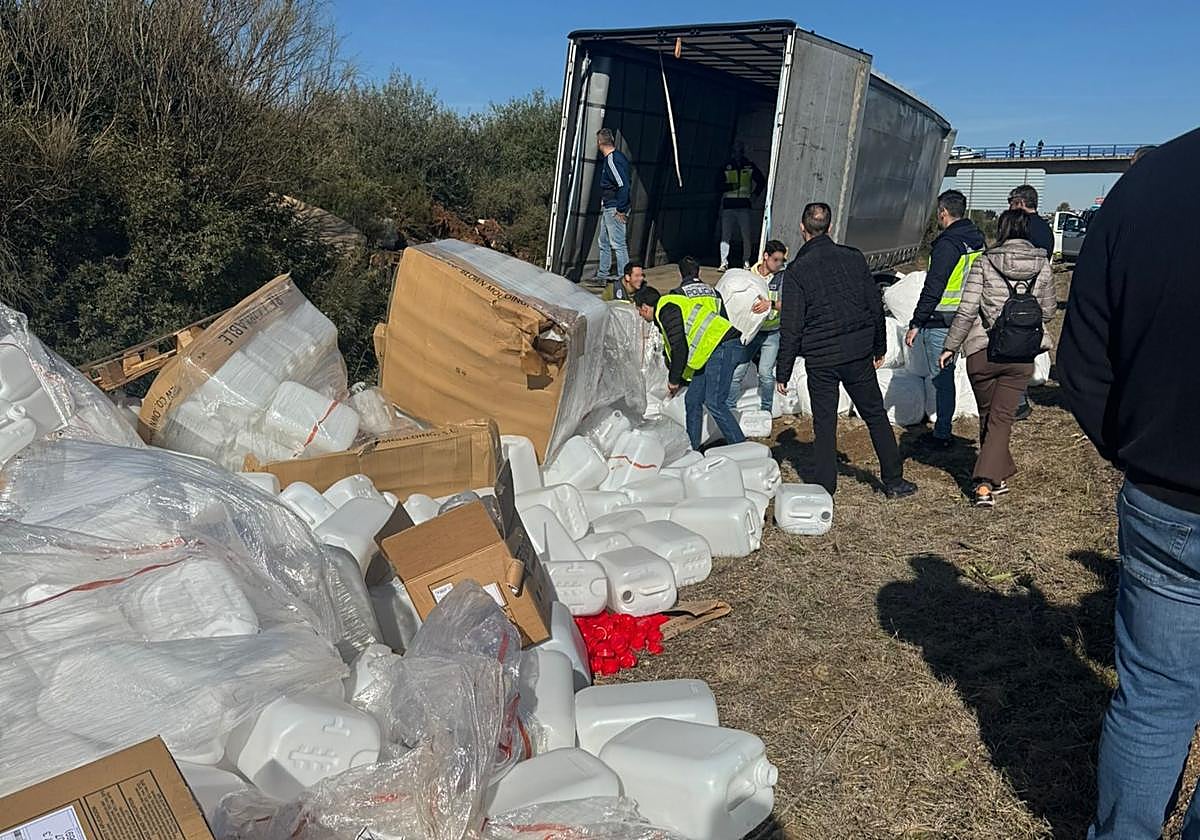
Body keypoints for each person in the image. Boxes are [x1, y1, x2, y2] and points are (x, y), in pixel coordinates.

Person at [1059, 126, 1200, 840]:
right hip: (1161, 486)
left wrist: (1138, 450)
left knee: (1153, 700)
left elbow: (1082, 358)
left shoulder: (1146, 184)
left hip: (1164, 496)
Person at [774, 202, 916, 499]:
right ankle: (894, 481)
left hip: (821, 358)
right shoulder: (853, 258)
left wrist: (783, 370)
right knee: (875, 414)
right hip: (857, 352)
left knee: (825, 424)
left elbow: (791, 325)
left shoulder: (797, 270)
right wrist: (879, 345)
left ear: (802, 228)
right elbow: (874, 304)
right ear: (830, 227)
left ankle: (825, 489)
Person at [936, 210, 1056, 506]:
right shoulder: (1042, 265)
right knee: (999, 419)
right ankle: (991, 480)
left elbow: (966, 310)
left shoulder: (984, 262)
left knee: (990, 415)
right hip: (1021, 356)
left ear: (1001, 230)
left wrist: (951, 346)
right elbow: (1049, 311)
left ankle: (986, 482)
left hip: (982, 351)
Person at [634, 257, 746, 450]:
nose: (640, 316)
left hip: (722, 345)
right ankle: (693, 448)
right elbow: (679, 348)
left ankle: (742, 448)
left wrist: (673, 380)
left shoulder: (667, 309)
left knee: (715, 402)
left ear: (644, 307)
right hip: (709, 351)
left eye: (639, 311)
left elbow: (679, 347)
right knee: (692, 399)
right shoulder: (673, 304)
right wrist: (680, 377)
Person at [905, 190, 986, 448]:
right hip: (969, 316)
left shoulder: (947, 244)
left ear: (943, 212)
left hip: (942, 320)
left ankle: (942, 433)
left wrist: (917, 322)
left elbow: (934, 287)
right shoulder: (977, 240)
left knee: (942, 378)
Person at [1006, 184, 1054, 422]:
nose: (1009, 209)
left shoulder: (1022, 228)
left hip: (1020, 296)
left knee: (1013, 349)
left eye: (1011, 204)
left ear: (1021, 203)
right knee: (1025, 347)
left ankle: (1018, 401)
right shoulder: (1045, 229)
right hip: (1037, 296)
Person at [726, 240, 788, 412]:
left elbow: (789, 303)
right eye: (775, 259)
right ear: (765, 256)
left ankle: (766, 410)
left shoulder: (783, 278)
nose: (779, 264)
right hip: (751, 331)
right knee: (738, 372)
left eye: (781, 260)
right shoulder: (749, 275)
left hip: (771, 333)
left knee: (766, 374)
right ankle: (729, 408)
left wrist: (771, 304)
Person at [717, 142, 767, 270]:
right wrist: (731, 187)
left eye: (740, 151)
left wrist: (755, 195)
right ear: (732, 152)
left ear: (743, 152)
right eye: (735, 151)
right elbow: (718, 184)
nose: (737, 154)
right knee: (725, 237)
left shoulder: (749, 165)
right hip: (729, 206)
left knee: (746, 236)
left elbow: (761, 181)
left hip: (744, 206)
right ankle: (724, 262)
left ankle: (746, 261)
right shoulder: (727, 166)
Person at [594, 128, 630, 285]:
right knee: (604, 241)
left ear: (600, 143)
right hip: (609, 205)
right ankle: (603, 275)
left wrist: (621, 209)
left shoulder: (612, 160)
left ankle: (624, 277)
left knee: (618, 244)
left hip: (614, 207)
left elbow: (623, 184)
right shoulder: (618, 158)